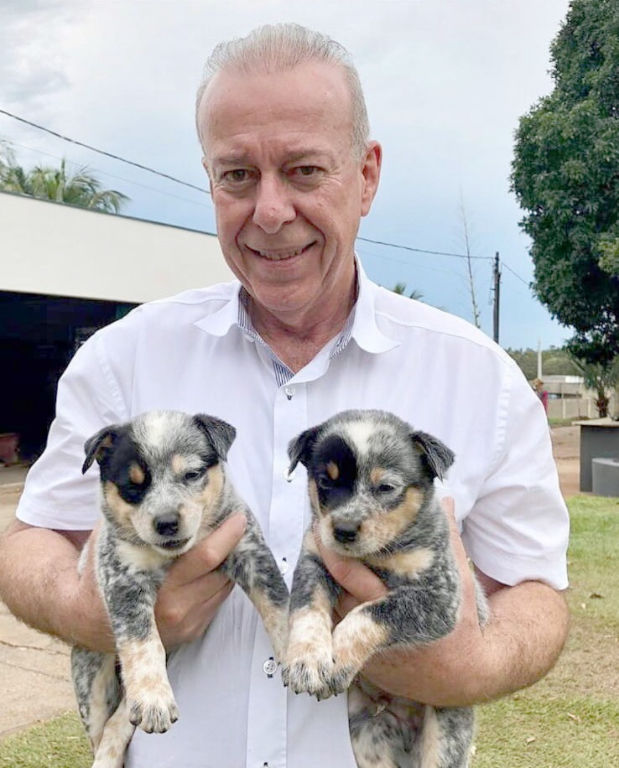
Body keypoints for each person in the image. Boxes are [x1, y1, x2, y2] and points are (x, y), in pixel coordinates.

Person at [0, 23, 569, 768]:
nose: (269, 211)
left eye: (303, 170)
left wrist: (466, 663)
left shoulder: (479, 377)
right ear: (208, 179)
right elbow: (32, 540)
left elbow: (537, 592)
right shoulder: (122, 357)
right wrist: (101, 610)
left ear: (365, 175)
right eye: (237, 175)